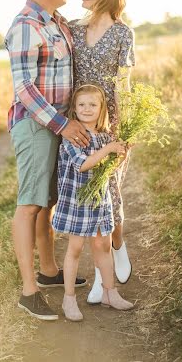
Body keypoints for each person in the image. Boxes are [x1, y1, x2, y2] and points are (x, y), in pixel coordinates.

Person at [5, 0, 90, 321]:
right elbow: (24, 89)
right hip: (38, 125)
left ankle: (50, 271)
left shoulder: (56, 23)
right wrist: (61, 124)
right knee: (29, 204)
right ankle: (29, 292)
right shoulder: (26, 26)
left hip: (56, 123)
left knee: (47, 201)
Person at [69, 0, 136, 303]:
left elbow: (124, 85)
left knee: (109, 195)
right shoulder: (73, 28)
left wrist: (125, 130)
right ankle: (101, 274)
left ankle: (117, 245)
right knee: (89, 195)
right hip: (80, 125)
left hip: (110, 125)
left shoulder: (123, 33)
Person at [52, 84, 134, 321]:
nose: (87, 109)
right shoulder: (73, 137)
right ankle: (69, 299)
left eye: (93, 105)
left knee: (102, 247)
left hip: (99, 200)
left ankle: (110, 293)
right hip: (78, 201)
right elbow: (83, 164)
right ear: (74, 109)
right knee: (75, 249)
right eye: (81, 105)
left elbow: (108, 169)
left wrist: (120, 154)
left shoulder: (105, 136)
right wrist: (109, 148)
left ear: (101, 109)